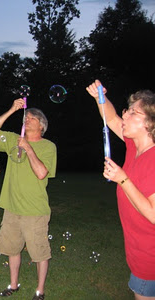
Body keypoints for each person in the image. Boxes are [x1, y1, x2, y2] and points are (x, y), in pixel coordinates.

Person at [86, 80, 155, 300]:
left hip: (150, 258)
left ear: (151, 123)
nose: (125, 115)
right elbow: (112, 118)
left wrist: (122, 179)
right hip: (139, 251)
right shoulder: (134, 145)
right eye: (128, 110)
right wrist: (100, 98)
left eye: (133, 113)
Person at [0, 99, 56, 299]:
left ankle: (40, 291)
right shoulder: (14, 139)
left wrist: (28, 148)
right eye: (26, 117)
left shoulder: (49, 146)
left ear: (41, 126)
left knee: (40, 253)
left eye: (33, 118)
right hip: (11, 208)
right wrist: (12, 109)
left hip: (35, 210)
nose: (28, 119)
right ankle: (13, 285)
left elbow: (42, 173)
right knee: (12, 248)